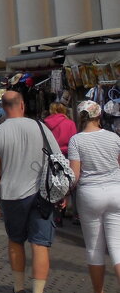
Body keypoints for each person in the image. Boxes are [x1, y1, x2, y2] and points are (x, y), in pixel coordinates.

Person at [0, 90, 62, 293]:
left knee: (15, 241)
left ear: (3, 107)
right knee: (40, 244)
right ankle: (38, 290)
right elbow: (57, 161)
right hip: (41, 195)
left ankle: (18, 288)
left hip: (11, 195)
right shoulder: (40, 127)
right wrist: (63, 193)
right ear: (22, 105)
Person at [66, 100, 120, 293]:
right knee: (117, 247)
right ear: (99, 116)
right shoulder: (114, 137)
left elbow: (75, 174)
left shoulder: (76, 140)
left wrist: (65, 193)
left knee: (94, 248)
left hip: (90, 194)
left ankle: (99, 291)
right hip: (115, 191)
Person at [45, 101, 78, 226]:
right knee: (71, 183)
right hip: (68, 155)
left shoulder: (46, 124)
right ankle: (76, 213)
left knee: (55, 183)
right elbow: (74, 140)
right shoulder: (70, 123)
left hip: (53, 155)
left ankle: (57, 216)